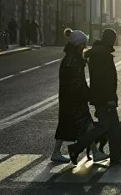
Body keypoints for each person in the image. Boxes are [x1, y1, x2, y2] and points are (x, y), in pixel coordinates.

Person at [68, 28, 121, 166]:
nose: (114, 41)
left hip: (102, 96)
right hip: (105, 97)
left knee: (113, 128)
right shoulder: (102, 55)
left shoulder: (99, 52)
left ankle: (116, 157)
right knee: (104, 127)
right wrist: (110, 99)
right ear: (109, 39)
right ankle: (76, 148)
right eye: (113, 39)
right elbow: (104, 80)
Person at [51, 30, 109, 163]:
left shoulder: (73, 57)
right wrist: (86, 94)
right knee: (81, 124)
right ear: (77, 45)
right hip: (74, 99)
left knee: (75, 124)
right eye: (83, 44)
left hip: (71, 98)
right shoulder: (72, 60)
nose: (84, 46)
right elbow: (75, 81)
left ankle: (93, 152)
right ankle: (93, 153)